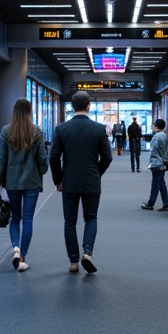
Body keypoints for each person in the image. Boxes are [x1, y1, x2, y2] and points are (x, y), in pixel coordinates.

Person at [50, 91, 112, 274]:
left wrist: (59, 179)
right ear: (88, 106)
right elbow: (107, 157)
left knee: (70, 221)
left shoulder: (61, 129)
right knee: (91, 218)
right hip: (91, 181)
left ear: (71, 106)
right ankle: (87, 253)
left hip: (69, 181)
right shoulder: (99, 129)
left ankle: (73, 262)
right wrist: (96, 173)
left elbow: (53, 157)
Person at [0, 97, 49, 272]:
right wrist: (43, 169)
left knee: (15, 218)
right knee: (28, 219)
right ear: (29, 111)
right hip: (31, 181)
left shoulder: (6, 131)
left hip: (12, 182)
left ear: (15, 111)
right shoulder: (37, 132)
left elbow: (1, 159)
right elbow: (42, 159)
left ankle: (15, 248)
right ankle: (23, 256)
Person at [141, 119, 168, 211]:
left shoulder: (157, 137)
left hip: (156, 162)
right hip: (163, 162)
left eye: (153, 125)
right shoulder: (165, 136)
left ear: (156, 126)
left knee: (156, 183)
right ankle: (165, 203)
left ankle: (151, 203)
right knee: (161, 182)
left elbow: (153, 150)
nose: (152, 126)